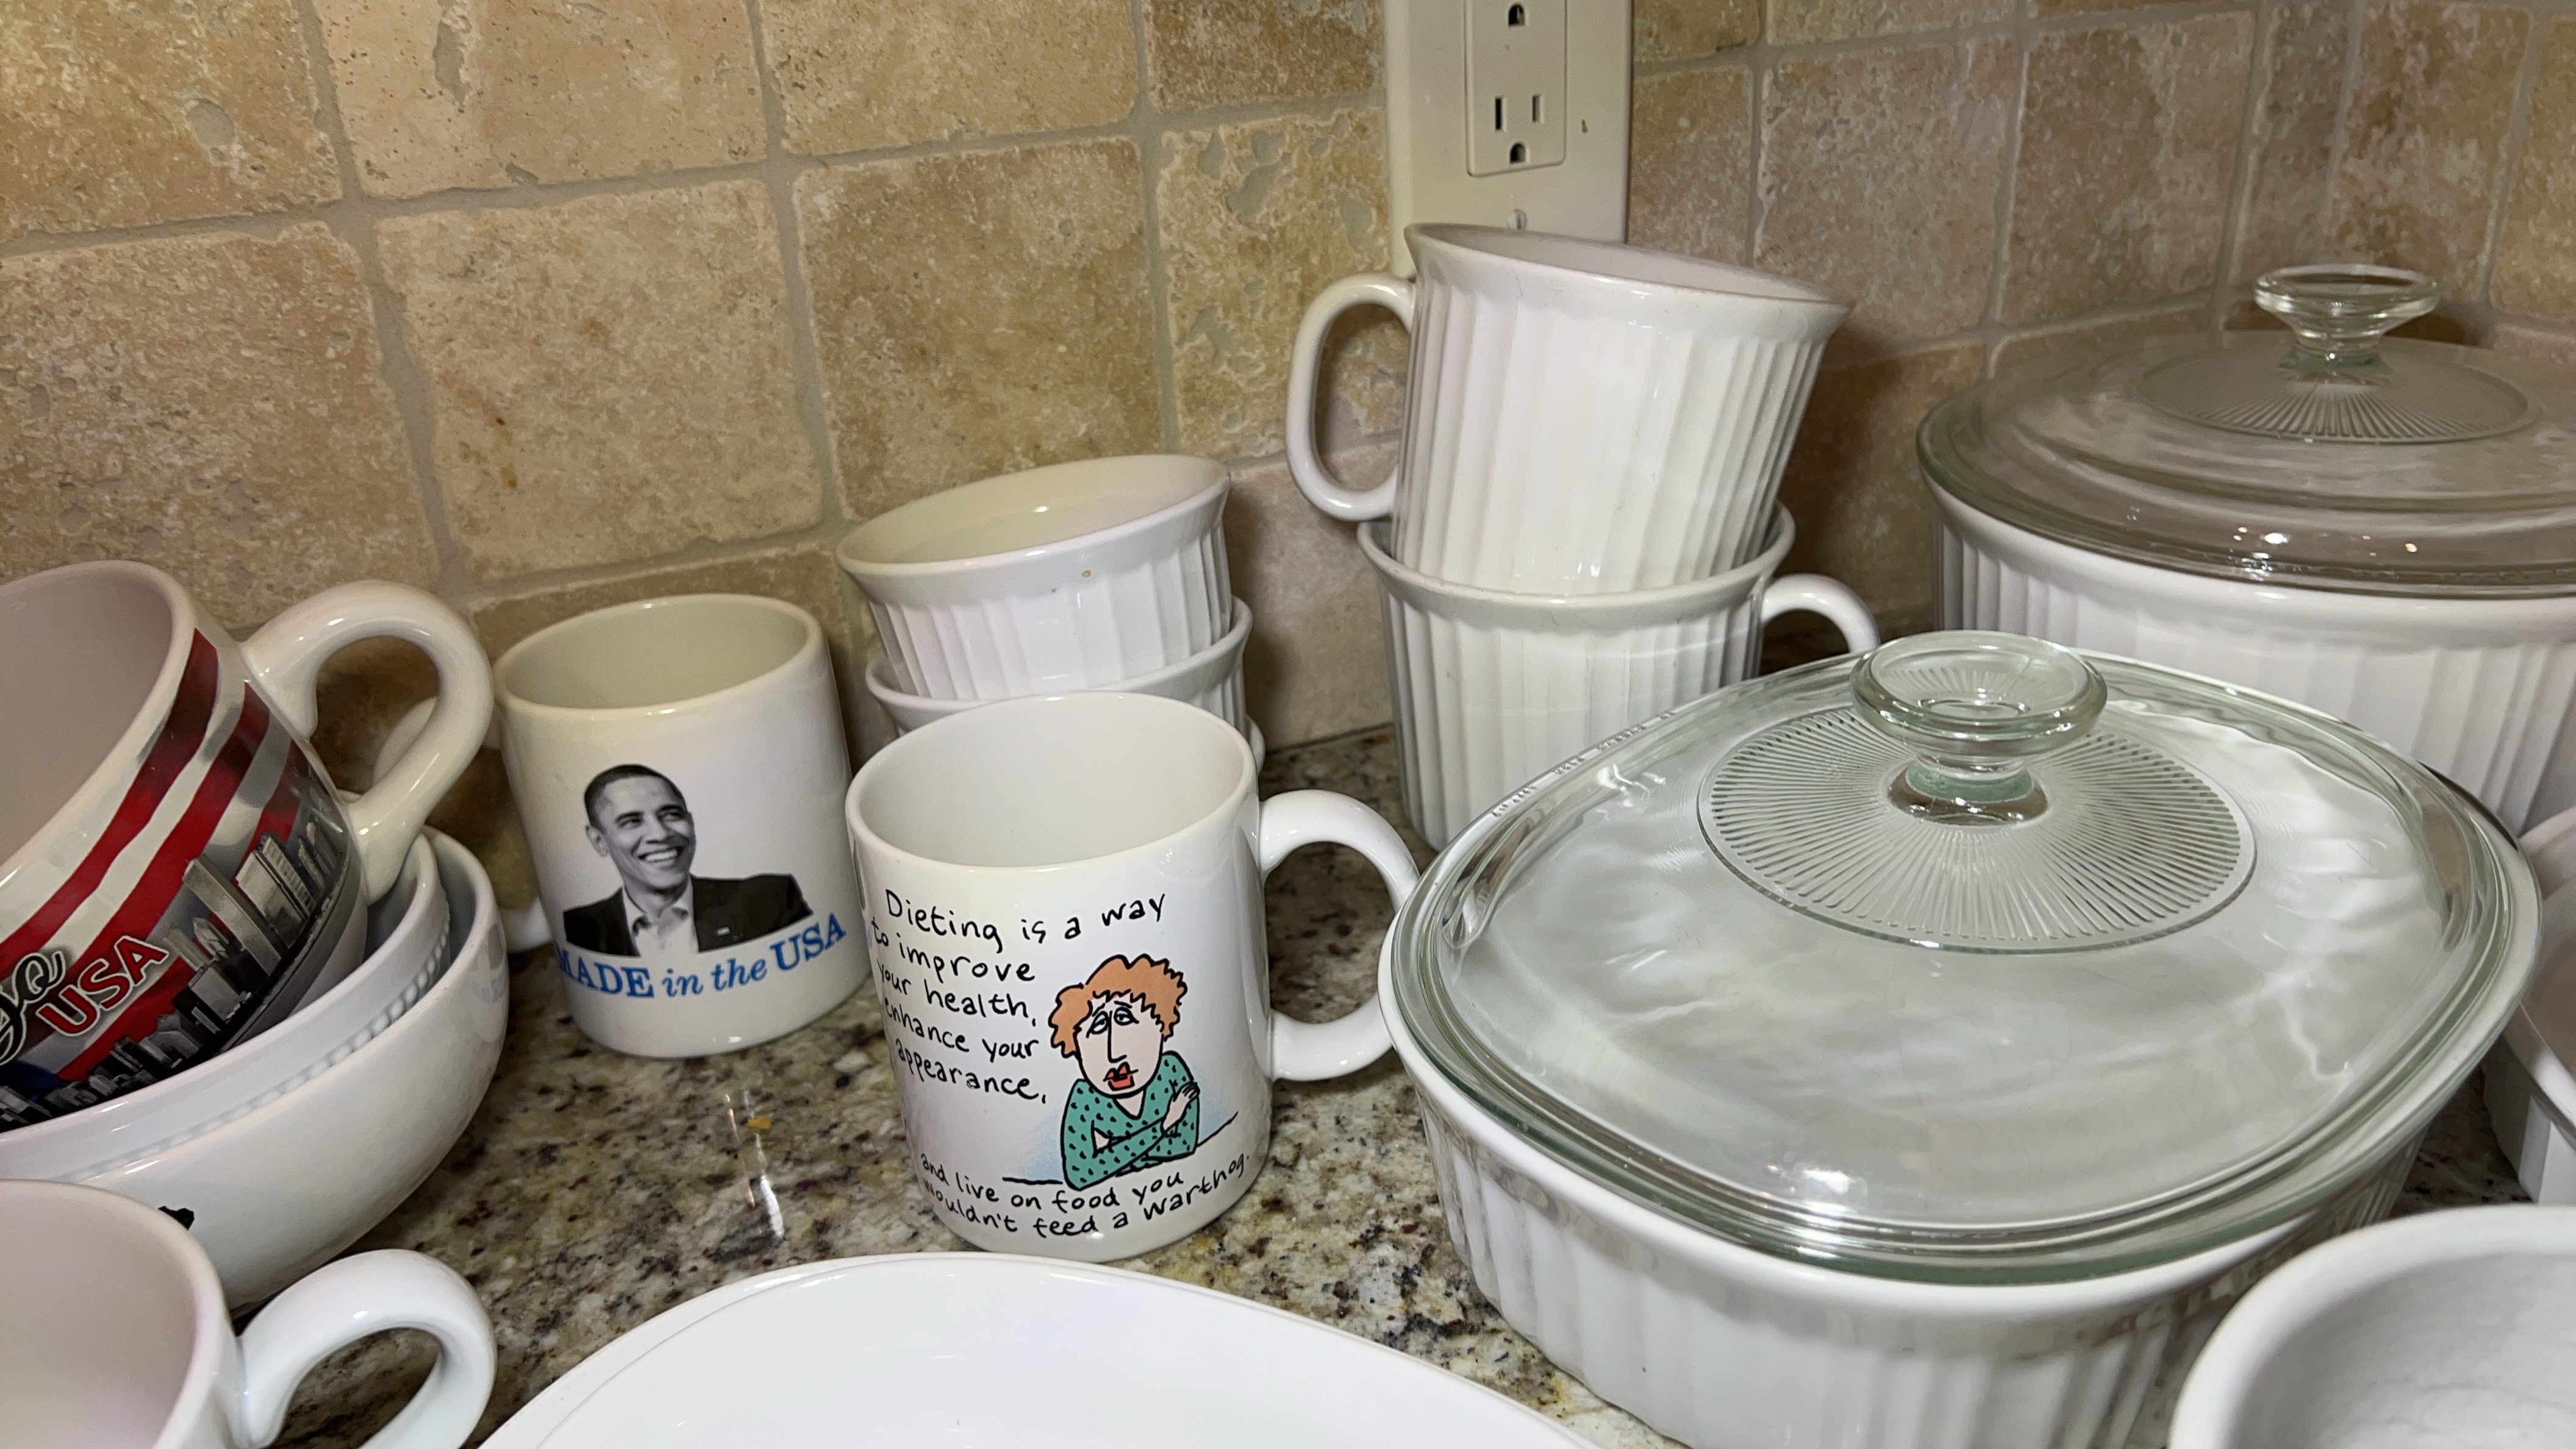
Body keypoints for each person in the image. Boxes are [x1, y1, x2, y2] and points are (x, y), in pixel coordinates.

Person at [559, 764, 810, 958]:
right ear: (598, 841)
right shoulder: (579, 928)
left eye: (671, 815)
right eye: (632, 822)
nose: (660, 834)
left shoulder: (768, 901)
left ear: (690, 821)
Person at [1049, 955, 1200, 1190]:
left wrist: (1111, 1150)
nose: (1114, 1053)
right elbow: (1079, 1174)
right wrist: (1164, 1126)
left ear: (1161, 1024)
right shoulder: (1085, 1099)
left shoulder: (1171, 1071)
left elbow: (1184, 1145)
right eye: (1098, 1026)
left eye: (1124, 1018)